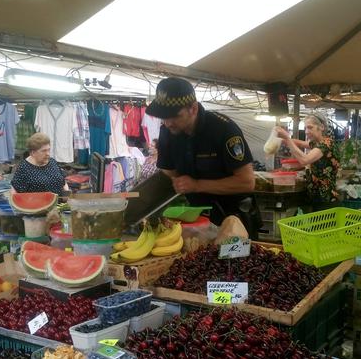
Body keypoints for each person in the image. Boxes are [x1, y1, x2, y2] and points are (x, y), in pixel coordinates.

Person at [145, 77, 262, 238]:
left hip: (236, 221)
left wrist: (197, 185)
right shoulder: (167, 131)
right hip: (197, 222)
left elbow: (247, 182)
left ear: (193, 108)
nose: (168, 123)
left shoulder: (224, 129)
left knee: (239, 263)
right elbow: (168, 176)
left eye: (174, 116)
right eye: (163, 117)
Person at [276, 115, 341, 210]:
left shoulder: (326, 145)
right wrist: (282, 140)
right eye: (305, 128)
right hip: (316, 196)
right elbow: (301, 143)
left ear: (322, 127)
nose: (306, 132)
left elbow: (304, 160)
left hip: (325, 199)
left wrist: (288, 139)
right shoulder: (317, 143)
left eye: (310, 127)